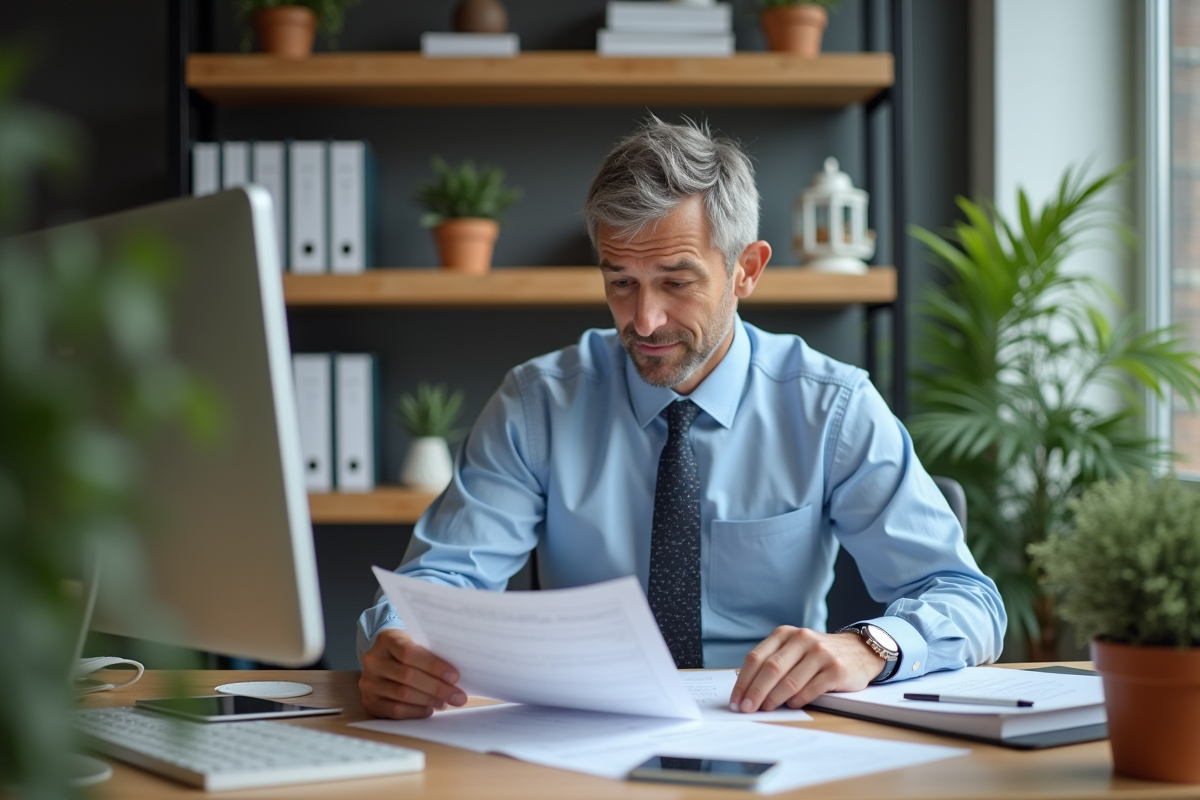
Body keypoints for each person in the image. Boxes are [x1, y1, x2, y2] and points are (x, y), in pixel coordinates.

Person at [357, 117, 1006, 721]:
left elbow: (967, 599)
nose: (643, 321)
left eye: (676, 282)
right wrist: (398, 639)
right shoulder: (538, 404)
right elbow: (439, 582)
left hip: (771, 730)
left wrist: (870, 647)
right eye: (621, 282)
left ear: (745, 270)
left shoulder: (831, 407)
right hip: (581, 733)